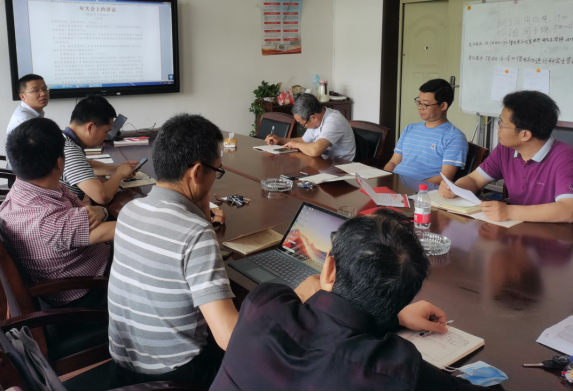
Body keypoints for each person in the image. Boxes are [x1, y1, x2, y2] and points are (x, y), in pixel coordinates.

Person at [210, 210, 484, 391]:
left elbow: (316, 329)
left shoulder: (263, 303)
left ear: (329, 269)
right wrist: (394, 316)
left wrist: (396, 318)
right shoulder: (393, 368)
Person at [108, 113, 236, 389]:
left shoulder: (130, 210)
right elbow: (228, 337)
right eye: (217, 170)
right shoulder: (196, 234)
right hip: (172, 377)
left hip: (124, 368)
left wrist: (200, 202)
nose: (216, 178)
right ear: (197, 172)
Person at [0, 117, 114, 308]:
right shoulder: (51, 220)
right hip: (86, 293)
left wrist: (100, 211)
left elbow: (87, 215)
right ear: (60, 163)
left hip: (77, 271)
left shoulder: (23, 189)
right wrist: (102, 211)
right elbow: (125, 229)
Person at [439, 91, 573, 227]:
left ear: (525, 135)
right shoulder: (505, 149)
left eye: (502, 124)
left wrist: (509, 212)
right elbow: (474, 179)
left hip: (560, 236)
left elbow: (567, 211)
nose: (498, 128)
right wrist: (455, 189)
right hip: (519, 230)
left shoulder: (565, 156)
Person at [385, 79, 468, 184]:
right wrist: (384, 180)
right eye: (419, 102)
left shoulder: (455, 137)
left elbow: (444, 178)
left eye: (425, 104)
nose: (420, 107)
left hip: (421, 191)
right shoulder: (410, 129)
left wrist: (413, 189)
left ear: (443, 106)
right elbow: (393, 162)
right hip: (393, 184)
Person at [61, 95, 137, 204]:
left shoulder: (63, 139)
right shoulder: (69, 150)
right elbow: (102, 196)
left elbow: (87, 165)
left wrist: (118, 169)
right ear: (90, 127)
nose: (106, 137)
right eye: (106, 132)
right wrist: (119, 175)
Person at [265, 93, 356, 161]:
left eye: (302, 124)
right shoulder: (317, 118)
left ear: (313, 118)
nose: (303, 126)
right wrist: (280, 140)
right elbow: (304, 141)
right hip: (324, 161)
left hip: (341, 166)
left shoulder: (334, 122)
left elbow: (315, 151)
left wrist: (296, 144)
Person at [6, 74, 50, 169]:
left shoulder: (31, 112)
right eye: (35, 90)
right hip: (24, 171)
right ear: (22, 96)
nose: (43, 93)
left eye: (44, 89)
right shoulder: (25, 120)